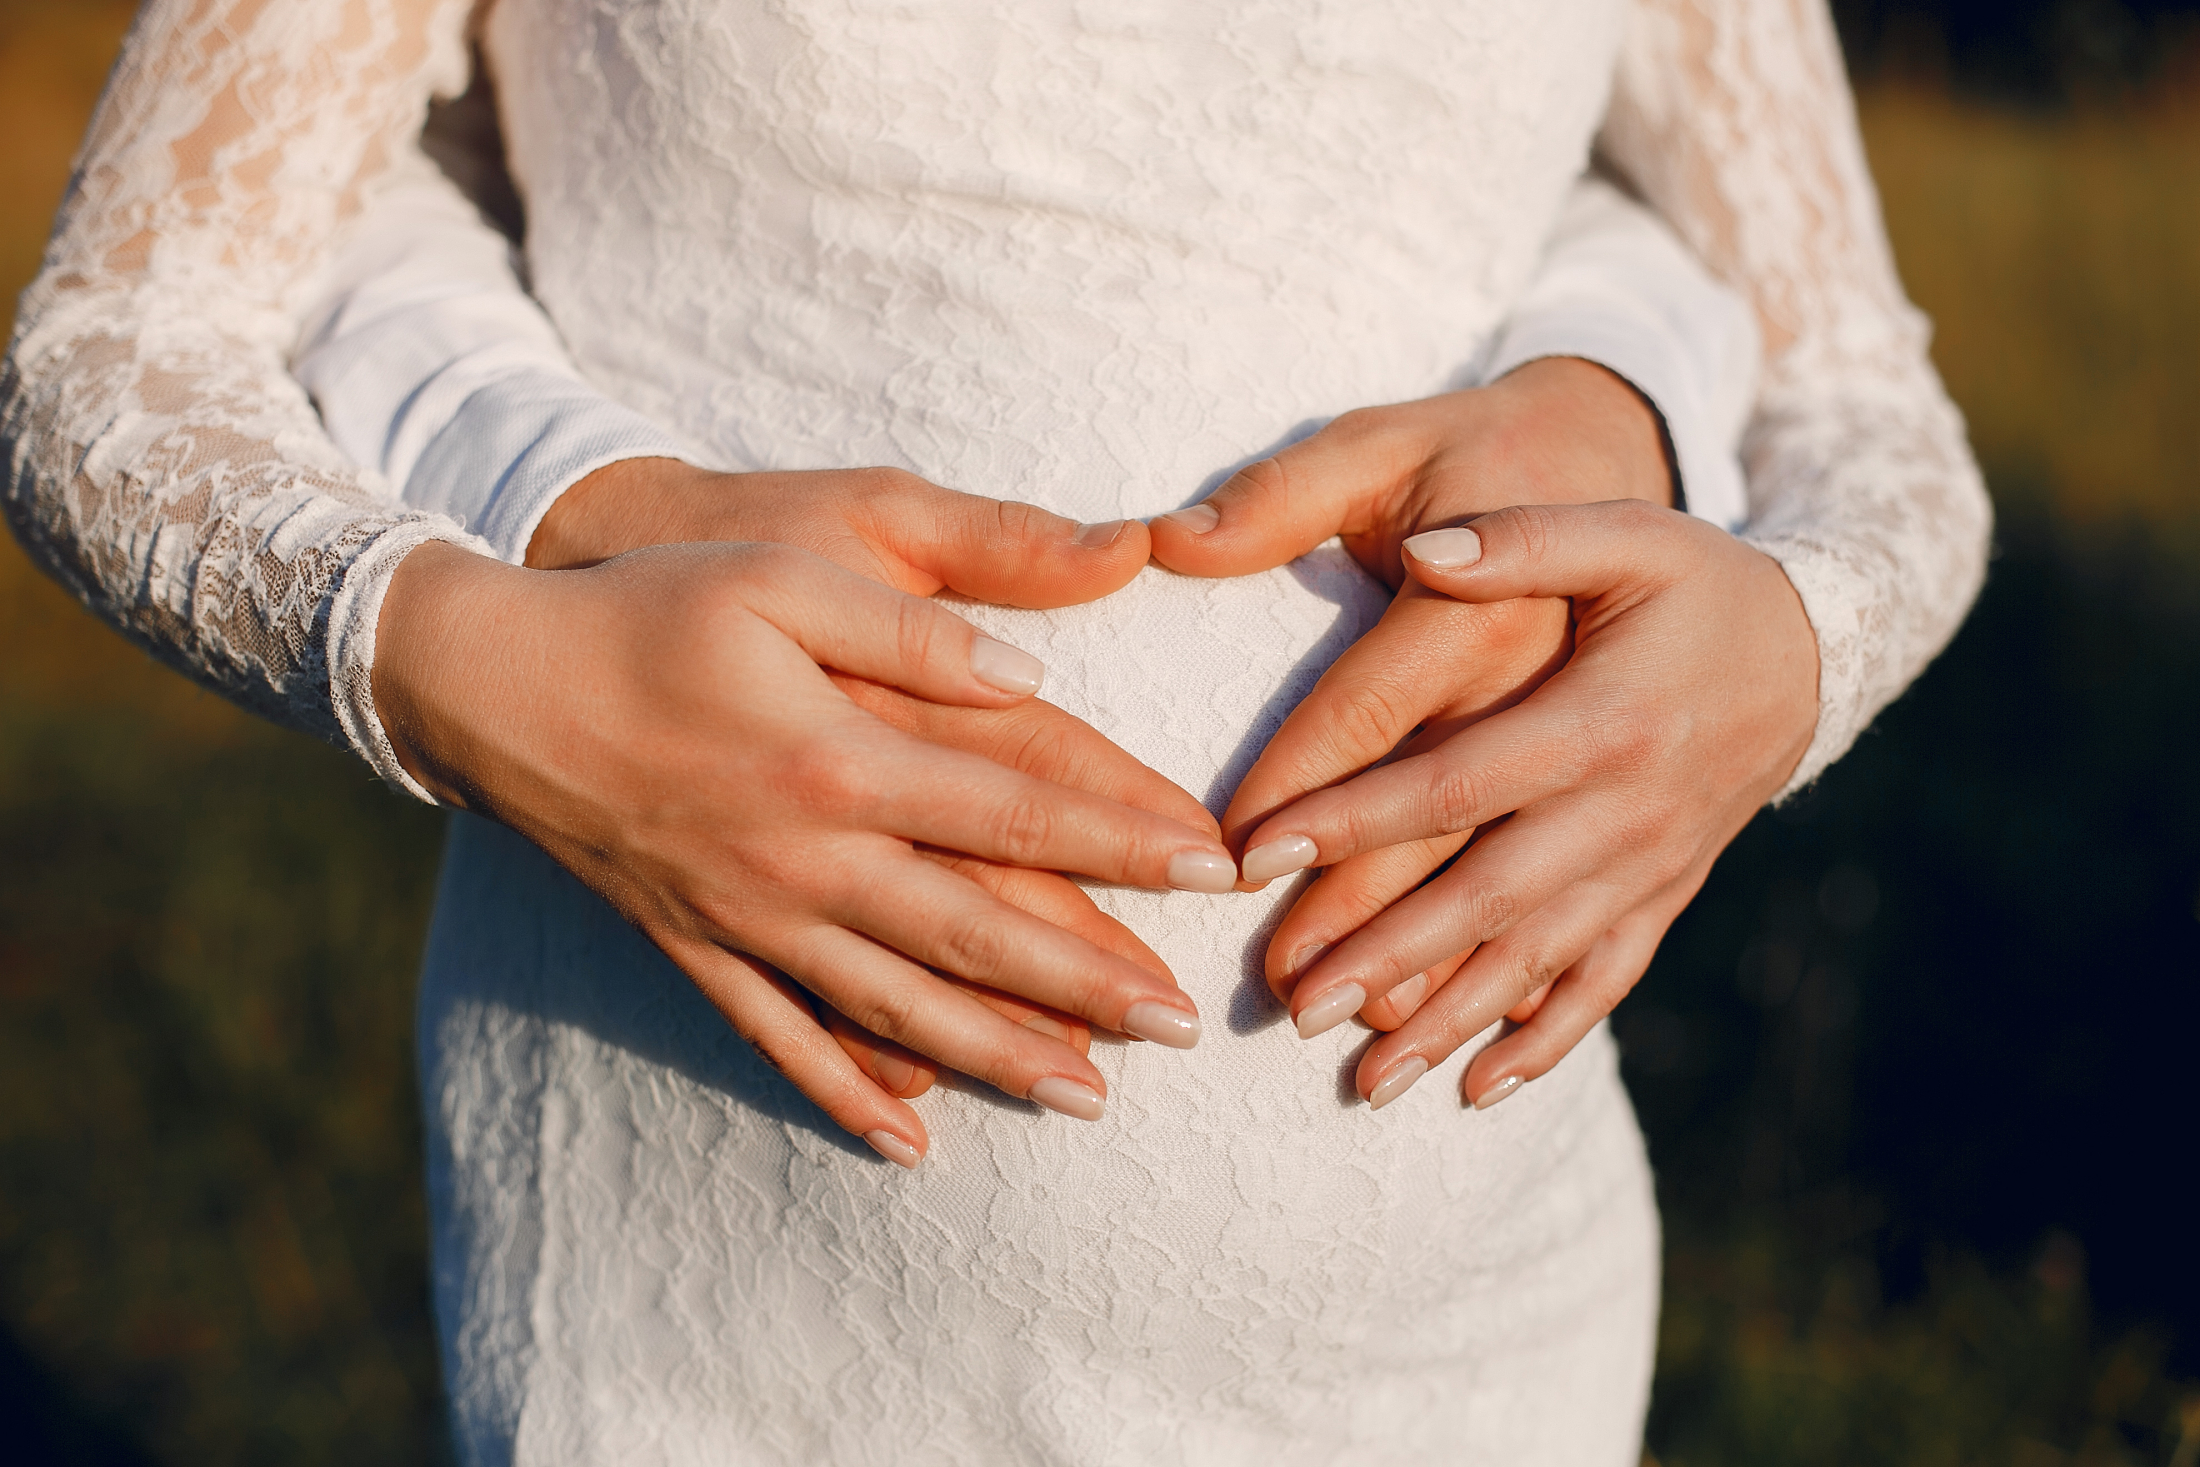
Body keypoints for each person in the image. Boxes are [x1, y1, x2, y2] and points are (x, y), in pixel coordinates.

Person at [1, 1, 1989, 1462]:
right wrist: (457, 651)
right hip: (704, 1295)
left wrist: (1778, 652)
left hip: (1460, 1311)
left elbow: (1853, 391)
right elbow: (118, 340)